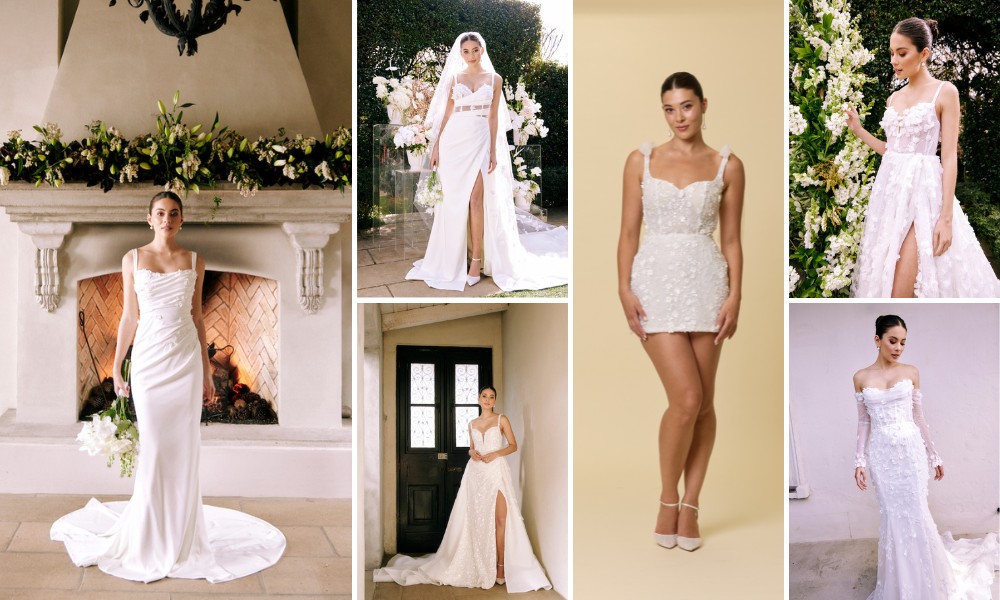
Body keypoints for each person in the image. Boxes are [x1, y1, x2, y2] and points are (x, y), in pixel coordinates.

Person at [50, 191, 285, 583]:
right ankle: (148, 535)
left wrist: (208, 374)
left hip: (186, 365)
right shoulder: (133, 259)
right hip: (149, 363)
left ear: (181, 220)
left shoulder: (195, 260)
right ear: (149, 218)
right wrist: (118, 364)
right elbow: (128, 317)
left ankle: (181, 536)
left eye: (173, 214)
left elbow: (197, 317)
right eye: (160, 213)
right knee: (156, 448)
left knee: (184, 450)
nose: (166, 219)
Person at [617, 72, 744, 551]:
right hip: (654, 284)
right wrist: (623, 289)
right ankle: (667, 499)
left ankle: (691, 505)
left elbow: (730, 239)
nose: (679, 117)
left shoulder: (728, 165)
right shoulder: (641, 160)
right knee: (685, 398)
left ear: (704, 105)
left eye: (687, 107)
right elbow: (628, 233)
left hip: (709, 284)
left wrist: (736, 295)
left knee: (705, 403)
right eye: (670, 109)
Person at [846, 17, 1000, 297]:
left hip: (923, 198)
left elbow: (949, 157)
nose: (894, 60)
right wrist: (858, 130)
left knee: (903, 288)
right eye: (892, 53)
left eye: (902, 53)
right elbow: (891, 151)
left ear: (924, 54)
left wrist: (945, 218)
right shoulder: (893, 99)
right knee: (884, 285)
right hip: (890, 201)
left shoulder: (945, 92)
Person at [405, 31, 568, 292]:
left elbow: (493, 118)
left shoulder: (495, 79)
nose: (470, 55)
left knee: (476, 200)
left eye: (475, 50)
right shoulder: (454, 78)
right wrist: (436, 147)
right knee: (454, 202)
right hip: (453, 141)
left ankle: (477, 259)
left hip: (480, 139)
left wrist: (492, 151)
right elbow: (445, 114)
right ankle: (456, 256)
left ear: (482, 50)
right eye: (466, 51)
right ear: (461, 53)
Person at [853, 315, 998, 598]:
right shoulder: (860, 377)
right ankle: (900, 582)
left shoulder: (911, 372)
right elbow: (863, 422)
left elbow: (918, 416)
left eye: (903, 342)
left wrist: (934, 455)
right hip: (881, 456)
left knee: (916, 512)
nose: (898, 348)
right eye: (892, 341)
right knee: (893, 516)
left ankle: (929, 578)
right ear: (877, 340)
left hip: (910, 452)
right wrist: (859, 461)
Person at [374, 385, 551, 592]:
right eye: (484, 396)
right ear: (478, 399)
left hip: (496, 472)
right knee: (477, 519)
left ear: (495, 401)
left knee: (501, 518)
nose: (487, 400)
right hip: (476, 473)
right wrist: (472, 453)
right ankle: (481, 563)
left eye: (491, 397)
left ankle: (501, 567)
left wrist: (495, 454)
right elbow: (472, 447)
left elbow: (513, 445)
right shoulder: (472, 423)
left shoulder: (501, 419)